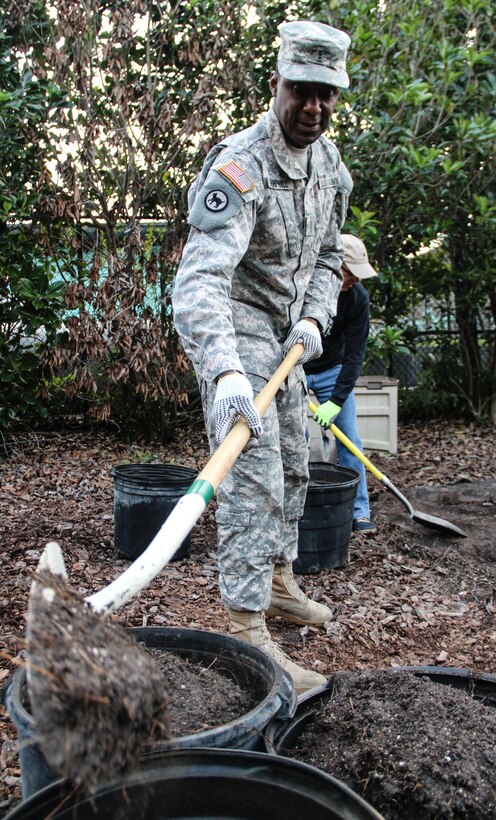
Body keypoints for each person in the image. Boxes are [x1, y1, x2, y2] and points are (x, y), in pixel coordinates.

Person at [172, 21, 351, 694]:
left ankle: (278, 584)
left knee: (297, 461)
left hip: (286, 331)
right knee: (253, 472)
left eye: (326, 95)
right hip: (238, 325)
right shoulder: (240, 167)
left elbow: (330, 255)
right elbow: (200, 281)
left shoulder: (332, 166)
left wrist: (315, 314)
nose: (314, 107)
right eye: (302, 91)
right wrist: (222, 372)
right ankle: (248, 629)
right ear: (275, 84)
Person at [305, 234, 379, 533]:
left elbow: (355, 354)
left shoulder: (357, 299)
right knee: (293, 442)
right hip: (292, 368)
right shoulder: (305, 285)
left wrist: (335, 399)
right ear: (334, 265)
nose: (353, 280)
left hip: (331, 370)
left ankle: (359, 511)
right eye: (350, 272)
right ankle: (297, 508)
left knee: (350, 441)